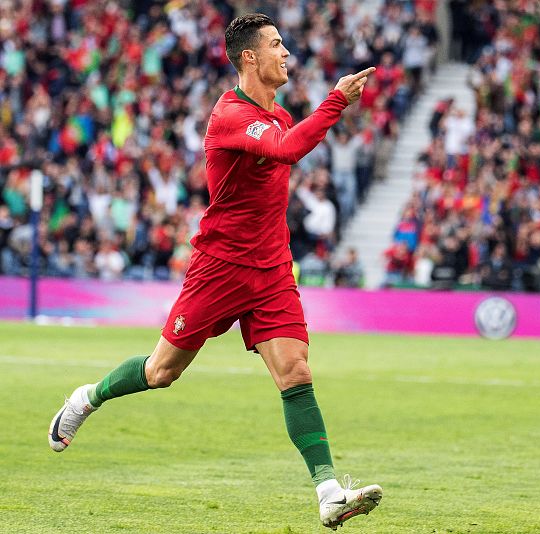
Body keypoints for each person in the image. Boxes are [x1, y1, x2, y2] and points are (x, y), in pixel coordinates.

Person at [47, 14, 382, 531]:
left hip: (270, 269)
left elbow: (286, 145)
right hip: (219, 268)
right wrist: (336, 100)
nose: (286, 52)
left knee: (295, 373)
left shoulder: (282, 116)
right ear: (250, 58)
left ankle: (329, 492)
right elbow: (288, 151)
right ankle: (86, 397)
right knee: (162, 373)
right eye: (276, 45)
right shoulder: (230, 116)